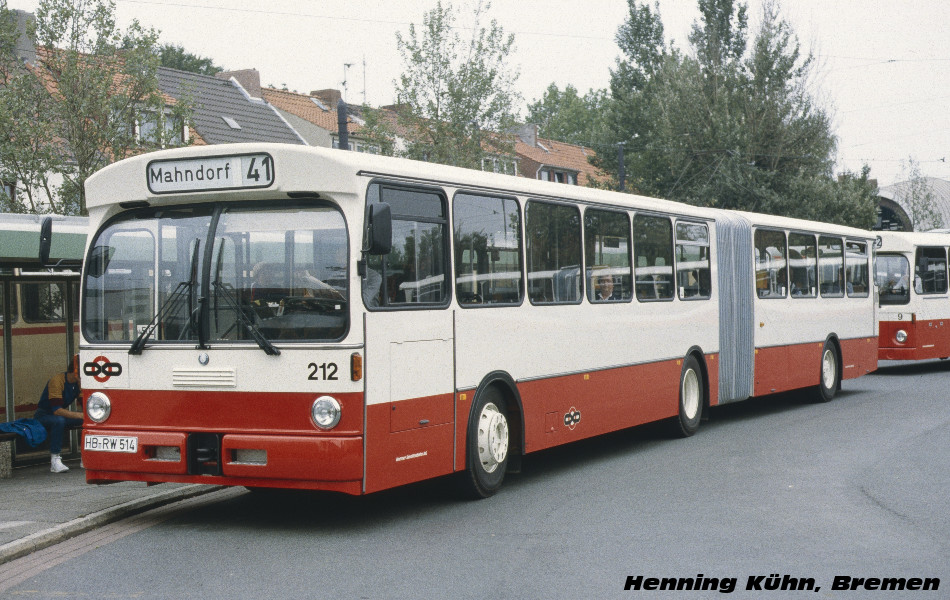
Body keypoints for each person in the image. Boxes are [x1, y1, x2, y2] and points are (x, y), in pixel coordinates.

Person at [35, 354, 83, 473]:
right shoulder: (57, 380)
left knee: (88, 420)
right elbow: (57, 410)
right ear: (76, 371)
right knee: (59, 421)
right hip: (44, 415)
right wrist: (80, 415)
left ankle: (86, 455)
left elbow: (85, 406)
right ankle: (55, 459)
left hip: (60, 415)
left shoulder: (78, 384)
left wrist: (82, 389)